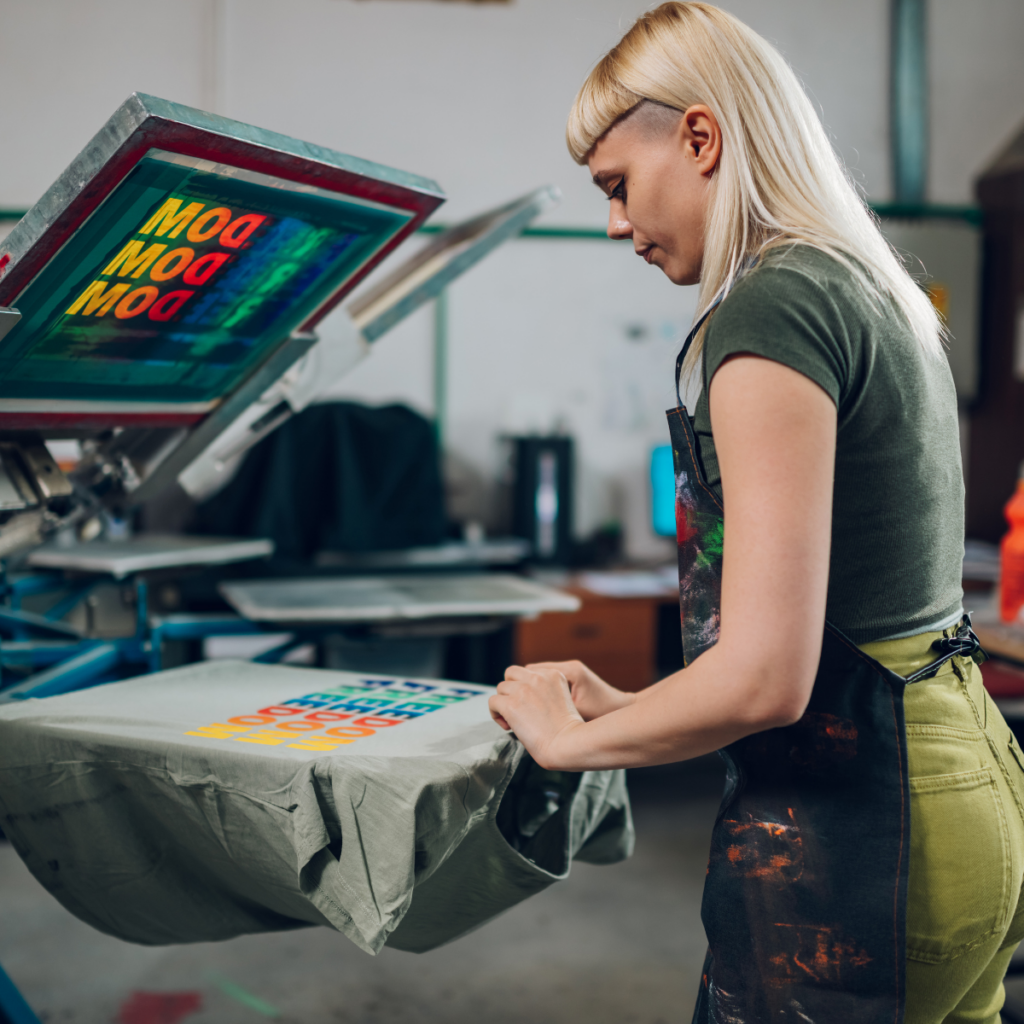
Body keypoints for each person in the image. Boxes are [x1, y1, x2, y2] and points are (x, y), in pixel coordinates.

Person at [488, 4, 1024, 1022]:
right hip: (959, 786)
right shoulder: (862, 284)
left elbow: (768, 679)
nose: (612, 223)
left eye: (615, 186)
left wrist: (569, 742)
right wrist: (623, 702)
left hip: (869, 828)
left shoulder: (768, 308)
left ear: (699, 138)